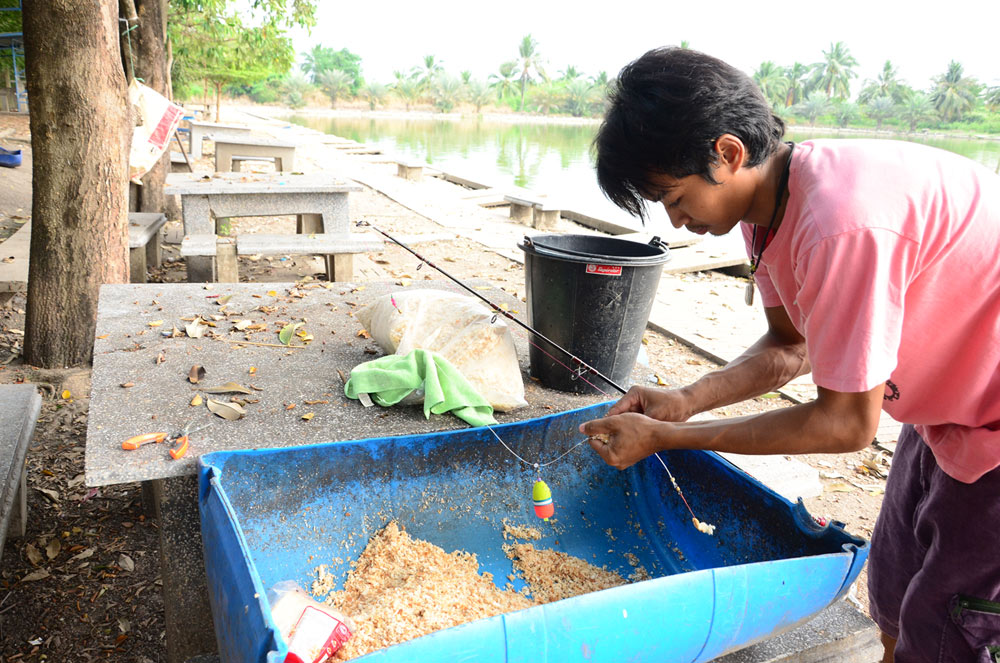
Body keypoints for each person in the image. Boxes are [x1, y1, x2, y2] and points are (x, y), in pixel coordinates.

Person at [580, 46, 1000, 663]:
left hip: (990, 414)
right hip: (944, 403)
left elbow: (846, 425)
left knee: (947, 625)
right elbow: (790, 346)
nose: (675, 220)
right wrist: (685, 401)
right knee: (892, 589)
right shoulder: (766, 206)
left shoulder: (839, 223)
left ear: (727, 154)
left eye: (674, 198)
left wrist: (667, 439)